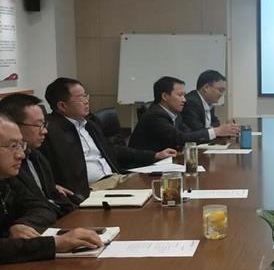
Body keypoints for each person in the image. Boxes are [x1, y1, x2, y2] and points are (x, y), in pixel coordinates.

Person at [41, 78, 176, 198]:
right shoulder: (50, 132)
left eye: (86, 96)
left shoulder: (89, 124)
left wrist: (154, 155)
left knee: (165, 190)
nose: (87, 101)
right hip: (91, 190)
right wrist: (52, 186)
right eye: (80, 98)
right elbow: (42, 167)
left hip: (115, 179)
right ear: (62, 106)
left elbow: (113, 150)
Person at [0, 114, 102, 264]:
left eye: (21, 145)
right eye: (12, 146)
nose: (20, 155)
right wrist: (55, 244)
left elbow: (42, 207)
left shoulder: (7, 180)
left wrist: (21, 225)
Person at [0, 93, 77, 214]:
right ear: (14, 125)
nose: (44, 131)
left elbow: (45, 202)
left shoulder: (36, 155)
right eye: (38, 125)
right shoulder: (9, 170)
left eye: (44, 124)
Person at [129, 76, 240, 152]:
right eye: (180, 95)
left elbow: (189, 134)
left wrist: (220, 131)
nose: (184, 99)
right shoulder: (156, 115)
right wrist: (217, 131)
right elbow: (179, 139)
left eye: (184, 95)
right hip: (143, 169)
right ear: (165, 96)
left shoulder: (175, 114)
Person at [181, 70, 239, 140]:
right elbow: (198, 132)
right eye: (220, 90)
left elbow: (215, 124)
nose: (222, 94)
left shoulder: (208, 102)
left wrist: (227, 130)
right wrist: (219, 130)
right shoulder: (191, 102)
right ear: (206, 87)